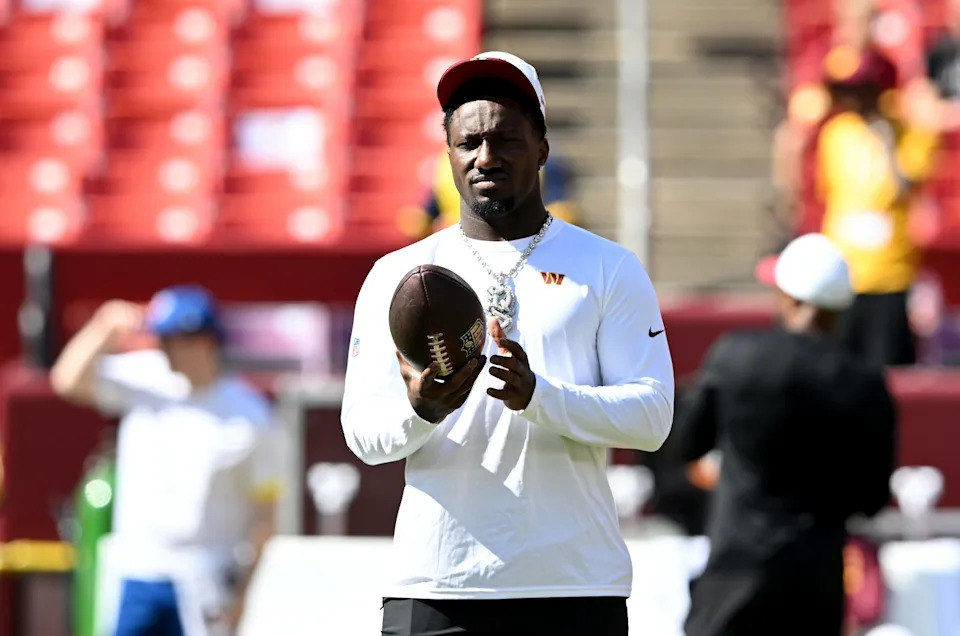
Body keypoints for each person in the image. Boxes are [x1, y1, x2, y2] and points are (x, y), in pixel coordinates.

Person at [340, 51, 674, 636]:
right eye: (468, 143)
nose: (485, 157)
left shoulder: (607, 267)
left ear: (542, 149)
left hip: (573, 583)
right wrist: (423, 409)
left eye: (506, 139)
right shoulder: (399, 275)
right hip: (437, 583)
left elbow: (652, 418)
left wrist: (541, 396)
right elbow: (364, 436)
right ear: (448, 155)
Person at [678, 233, 897, 636]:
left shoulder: (736, 355)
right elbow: (872, 498)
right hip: (818, 581)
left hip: (736, 572)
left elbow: (689, 442)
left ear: (786, 297)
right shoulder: (865, 382)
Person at [50, 285, 284, 636]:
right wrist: (103, 328)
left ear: (203, 341)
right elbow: (66, 380)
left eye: (171, 340)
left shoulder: (250, 414)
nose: (161, 349)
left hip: (206, 573)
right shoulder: (145, 377)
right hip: (137, 565)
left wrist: (246, 590)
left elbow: (265, 511)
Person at [815, 46, 939, 366]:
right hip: (843, 275)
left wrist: (885, 136)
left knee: (887, 371)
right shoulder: (835, 133)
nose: (854, 100)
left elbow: (907, 184)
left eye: (862, 90)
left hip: (889, 276)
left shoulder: (908, 132)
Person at [396, 147, 580, 241]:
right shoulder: (444, 163)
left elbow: (561, 209)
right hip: (459, 243)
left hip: (524, 245)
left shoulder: (544, 161)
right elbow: (429, 210)